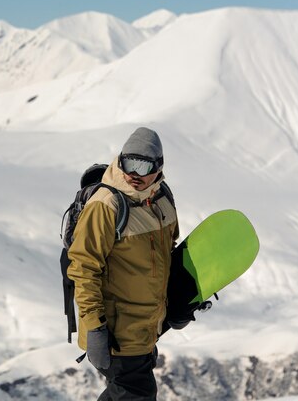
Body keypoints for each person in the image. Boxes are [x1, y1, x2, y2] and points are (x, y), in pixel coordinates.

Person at [67, 127, 179, 400]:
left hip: (146, 327)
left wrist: (179, 304)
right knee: (135, 394)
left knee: (128, 394)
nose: (135, 175)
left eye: (143, 166)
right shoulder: (106, 205)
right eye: (129, 164)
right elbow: (83, 269)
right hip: (116, 331)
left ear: (159, 167)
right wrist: (94, 327)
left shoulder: (162, 199)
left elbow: (168, 255)